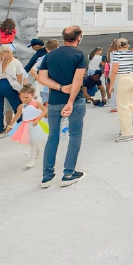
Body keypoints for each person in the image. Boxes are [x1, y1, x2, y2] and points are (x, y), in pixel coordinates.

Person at [37, 26, 89, 188]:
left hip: (53, 101)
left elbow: (41, 78)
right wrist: (70, 101)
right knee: (74, 135)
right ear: (79, 37)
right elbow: (78, 80)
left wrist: (59, 87)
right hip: (75, 101)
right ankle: (68, 173)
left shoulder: (50, 55)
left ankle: (46, 176)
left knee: (52, 136)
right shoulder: (80, 55)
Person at [108, 38, 133, 142]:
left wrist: (111, 85)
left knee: (122, 106)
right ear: (127, 45)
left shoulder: (116, 54)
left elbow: (114, 71)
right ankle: (125, 129)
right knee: (129, 105)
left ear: (118, 45)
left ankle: (127, 133)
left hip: (123, 78)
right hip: (132, 77)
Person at [8, 85, 47, 170]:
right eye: (22, 97)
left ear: (32, 95)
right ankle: (38, 152)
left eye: (27, 97)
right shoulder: (21, 106)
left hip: (35, 124)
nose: (24, 99)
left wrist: (38, 119)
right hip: (25, 125)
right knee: (31, 141)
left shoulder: (36, 103)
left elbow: (45, 110)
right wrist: (10, 125)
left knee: (32, 141)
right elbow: (17, 116)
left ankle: (31, 161)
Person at [29, 39, 58, 107]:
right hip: (57, 85)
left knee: (47, 105)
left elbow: (32, 70)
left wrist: (40, 80)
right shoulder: (62, 57)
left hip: (45, 86)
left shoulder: (43, 58)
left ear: (46, 48)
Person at [107, 39, 121, 112]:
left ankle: (113, 105)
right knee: (116, 90)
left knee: (113, 89)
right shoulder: (116, 53)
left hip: (112, 73)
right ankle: (114, 106)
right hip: (115, 73)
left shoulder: (111, 52)